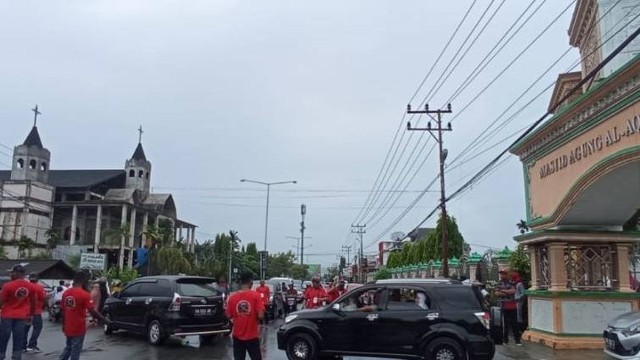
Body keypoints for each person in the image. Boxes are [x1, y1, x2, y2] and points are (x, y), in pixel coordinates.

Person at [226, 272, 264, 360]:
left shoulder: (232, 297)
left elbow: (228, 315)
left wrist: (237, 318)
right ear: (251, 281)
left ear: (240, 282)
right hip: (252, 336)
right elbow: (261, 315)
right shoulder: (256, 295)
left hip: (237, 337)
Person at [0, 265, 35, 360]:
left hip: (7, 315)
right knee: (18, 338)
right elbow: (33, 302)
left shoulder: (7, 286)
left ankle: (1, 355)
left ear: (17, 273)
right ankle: (16, 357)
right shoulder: (30, 286)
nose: (11, 274)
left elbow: (1, 301)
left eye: (12, 272)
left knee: (3, 337)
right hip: (22, 316)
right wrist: (30, 315)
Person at [495, 270, 520, 346]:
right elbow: (496, 293)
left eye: (503, 274)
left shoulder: (511, 282)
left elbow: (513, 291)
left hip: (512, 305)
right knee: (504, 324)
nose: (502, 276)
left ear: (506, 275)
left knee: (514, 323)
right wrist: (507, 292)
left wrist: (502, 291)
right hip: (503, 305)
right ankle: (505, 340)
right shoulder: (499, 283)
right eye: (501, 274)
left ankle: (517, 341)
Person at [23, 273, 46, 353]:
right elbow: (42, 298)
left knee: (25, 329)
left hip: (25, 311)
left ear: (29, 279)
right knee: (37, 328)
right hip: (36, 311)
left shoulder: (25, 287)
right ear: (37, 279)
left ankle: (23, 346)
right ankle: (31, 345)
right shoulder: (39, 287)